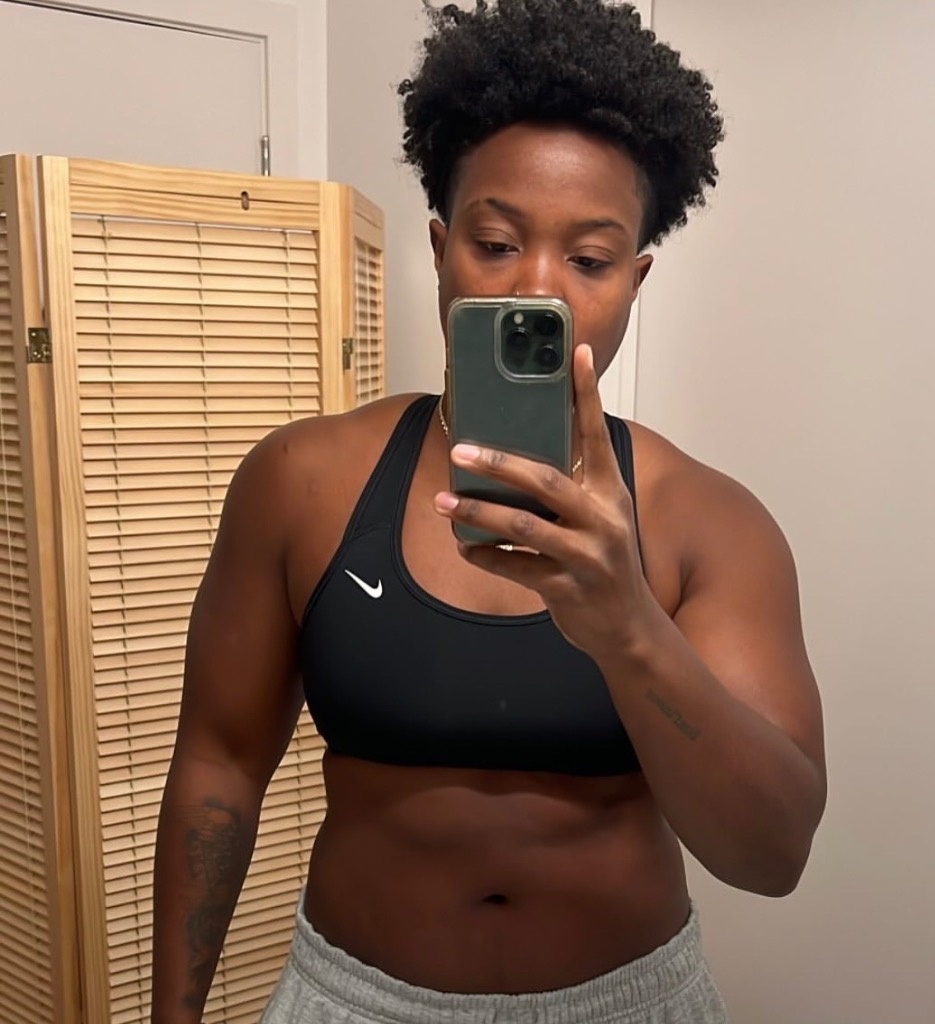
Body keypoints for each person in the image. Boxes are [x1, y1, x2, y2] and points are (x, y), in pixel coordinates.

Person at [151, 2, 827, 1022]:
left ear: (634, 279)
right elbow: (219, 762)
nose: (536, 290)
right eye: (496, 242)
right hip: (353, 1001)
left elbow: (770, 855)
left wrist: (628, 630)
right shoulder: (302, 482)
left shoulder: (709, 523)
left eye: (589, 259)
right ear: (439, 248)